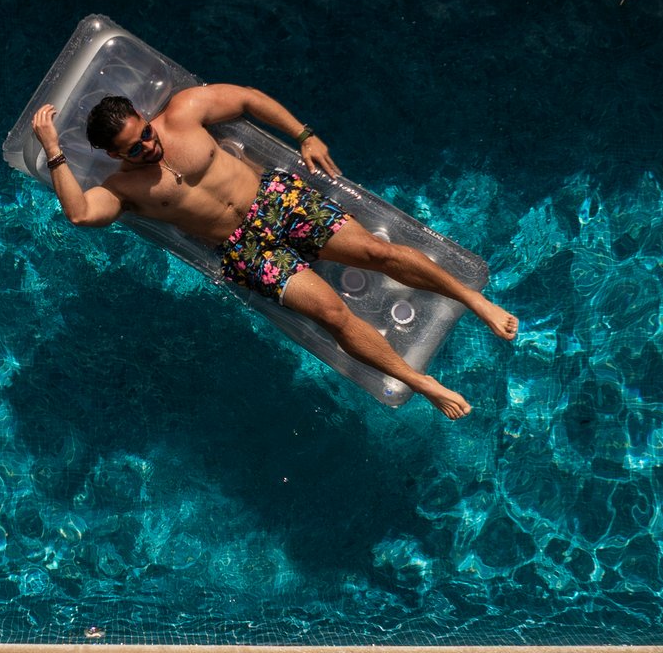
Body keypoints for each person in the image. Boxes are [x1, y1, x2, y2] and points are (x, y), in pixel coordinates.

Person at [31, 84, 517, 419]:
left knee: (377, 253)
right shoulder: (122, 188)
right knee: (331, 313)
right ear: (114, 156)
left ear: (145, 119)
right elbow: (79, 214)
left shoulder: (181, 113)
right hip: (243, 248)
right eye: (133, 149)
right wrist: (54, 149)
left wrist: (304, 135)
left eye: (145, 134)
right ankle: (422, 382)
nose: (148, 147)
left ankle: (474, 301)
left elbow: (246, 99)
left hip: (276, 200)